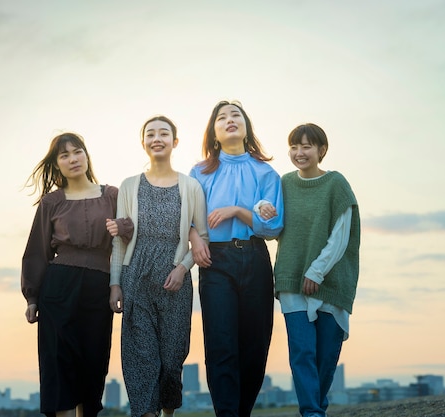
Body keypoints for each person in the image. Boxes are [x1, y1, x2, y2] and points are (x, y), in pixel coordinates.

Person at [21, 132, 133, 417]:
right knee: (59, 361)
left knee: (94, 362)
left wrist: (123, 228)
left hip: (99, 284)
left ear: (86, 155)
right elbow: (37, 251)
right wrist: (32, 297)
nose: (73, 159)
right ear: (57, 164)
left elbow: (130, 238)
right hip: (59, 287)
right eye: (64, 155)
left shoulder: (111, 195)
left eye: (77, 151)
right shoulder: (51, 202)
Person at [188, 100, 284, 417]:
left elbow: (272, 226)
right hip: (214, 261)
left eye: (236, 116)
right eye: (222, 117)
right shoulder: (199, 172)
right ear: (214, 133)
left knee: (255, 345)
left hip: (255, 257)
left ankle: (242, 412)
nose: (230, 120)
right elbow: (187, 217)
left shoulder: (266, 172)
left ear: (246, 128)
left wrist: (237, 211)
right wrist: (194, 239)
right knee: (221, 343)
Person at [109, 115, 208, 417]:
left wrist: (182, 268)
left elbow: (201, 237)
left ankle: (167, 413)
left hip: (175, 280)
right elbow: (120, 239)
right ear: (143, 143)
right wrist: (115, 282)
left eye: (164, 133)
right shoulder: (128, 186)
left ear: (174, 142)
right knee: (141, 356)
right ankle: (146, 413)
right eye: (150, 134)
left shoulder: (191, 186)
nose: (157, 138)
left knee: (171, 356)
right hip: (135, 275)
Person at [274, 123, 360, 417]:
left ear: (321, 150)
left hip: (330, 281)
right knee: (302, 353)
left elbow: (341, 235)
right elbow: (271, 218)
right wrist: (262, 207)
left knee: (325, 357)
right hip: (291, 279)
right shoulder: (284, 183)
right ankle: (311, 412)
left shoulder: (336, 184)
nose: (299, 152)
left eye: (307, 146)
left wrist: (317, 271)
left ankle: (316, 409)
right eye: (294, 146)